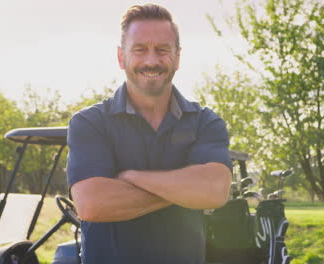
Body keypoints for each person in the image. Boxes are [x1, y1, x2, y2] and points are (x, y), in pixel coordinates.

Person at [66, 4, 232, 264]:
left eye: (163, 50)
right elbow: (92, 204)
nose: (152, 61)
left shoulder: (205, 122)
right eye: (140, 49)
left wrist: (132, 177)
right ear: (121, 57)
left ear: (177, 57)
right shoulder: (90, 123)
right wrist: (185, 190)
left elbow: (216, 191)